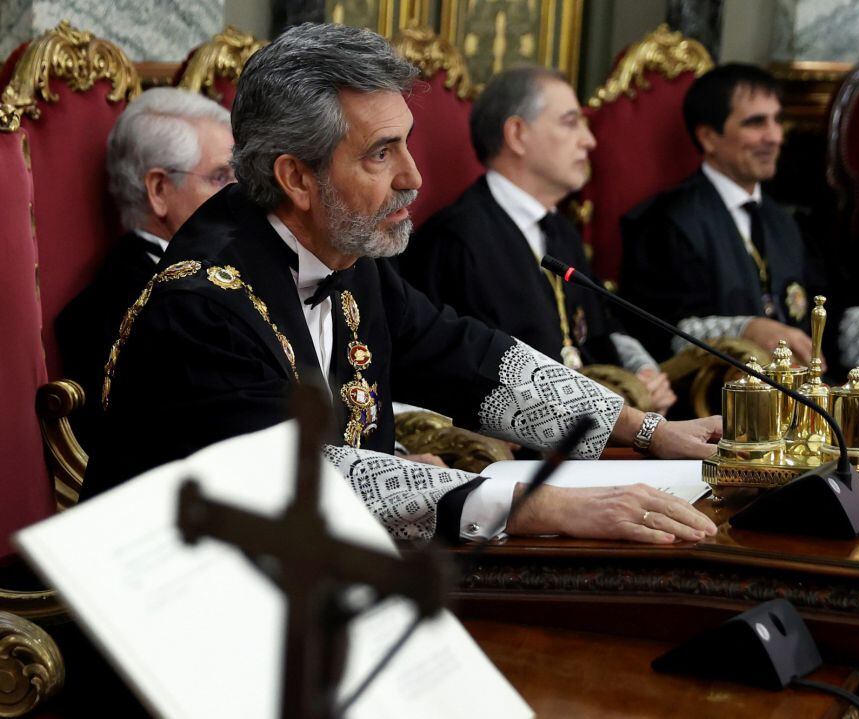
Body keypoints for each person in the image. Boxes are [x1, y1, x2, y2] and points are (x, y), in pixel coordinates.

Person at [84, 23, 721, 547]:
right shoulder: (201, 305)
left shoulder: (344, 250)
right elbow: (298, 483)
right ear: (296, 178)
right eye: (381, 153)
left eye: (406, 145)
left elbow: (469, 360)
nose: (414, 177)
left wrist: (645, 432)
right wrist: (537, 505)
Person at [620, 64, 859, 369]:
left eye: (778, 121)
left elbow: (832, 321)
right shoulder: (665, 222)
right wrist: (748, 330)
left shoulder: (786, 223)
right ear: (709, 137)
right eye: (755, 123)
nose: (775, 137)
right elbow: (656, 334)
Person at [401, 66, 675, 414]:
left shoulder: (560, 231)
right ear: (517, 134)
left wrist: (642, 373)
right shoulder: (454, 240)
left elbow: (600, 329)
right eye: (570, 122)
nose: (589, 140)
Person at [55, 88, 235, 450]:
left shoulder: (223, 266)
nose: (241, 195)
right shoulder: (113, 309)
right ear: (159, 190)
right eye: (220, 178)